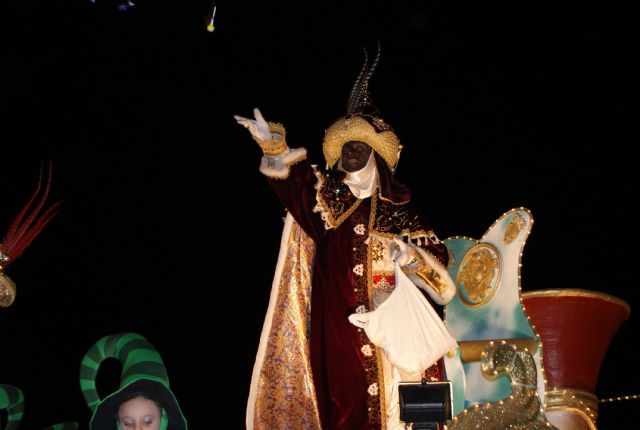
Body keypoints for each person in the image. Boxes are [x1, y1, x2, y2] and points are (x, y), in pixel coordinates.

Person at [236, 46, 457, 430]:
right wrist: (274, 145)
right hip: (339, 332)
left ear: (376, 156)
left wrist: (410, 257)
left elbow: (440, 277)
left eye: (358, 147)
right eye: (345, 149)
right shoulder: (329, 200)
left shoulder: (400, 210)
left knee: (401, 412)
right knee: (342, 409)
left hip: (397, 333)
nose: (350, 153)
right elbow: (297, 184)